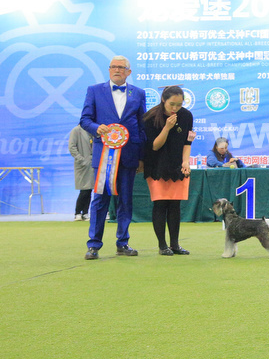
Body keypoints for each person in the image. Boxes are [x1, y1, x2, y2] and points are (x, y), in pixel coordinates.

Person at [80, 55, 147, 259]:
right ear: (109, 70)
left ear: (129, 72)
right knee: (100, 200)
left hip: (129, 155)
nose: (117, 70)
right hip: (103, 156)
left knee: (126, 201)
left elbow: (141, 126)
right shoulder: (94, 90)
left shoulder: (139, 93)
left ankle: (123, 243)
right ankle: (93, 245)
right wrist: (96, 128)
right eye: (113, 66)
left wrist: (141, 157)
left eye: (121, 67)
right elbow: (84, 119)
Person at [143, 86, 194, 256]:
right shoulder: (150, 117)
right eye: (172, 104)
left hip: (177, 164)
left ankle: (175, 245)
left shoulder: (186, 116)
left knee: (175, 205)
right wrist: (167, 127)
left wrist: (185, 162)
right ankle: (162, 245)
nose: (175, 108)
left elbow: (187, 142)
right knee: (160, 203)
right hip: (157, 164)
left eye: (179, 105)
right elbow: (154, 146)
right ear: (163, 100)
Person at [68, 123, 94, 220]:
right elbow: (72, 147)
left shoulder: (92, 131)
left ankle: (85, 212)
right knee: (84, 190)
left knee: (89, 189)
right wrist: (81, 159)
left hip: (92, 164)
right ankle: (78, 212)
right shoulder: (76, 130)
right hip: (83, 164)